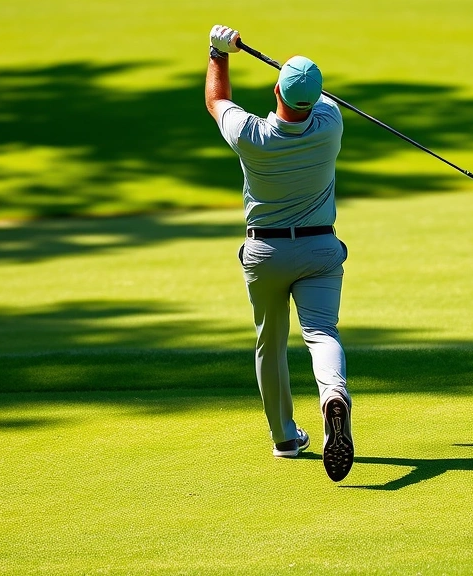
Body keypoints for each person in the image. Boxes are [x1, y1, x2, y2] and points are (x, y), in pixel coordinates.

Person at [205, 25, 354, 482]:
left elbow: (216, 100)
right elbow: (318, 98)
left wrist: (219, 52)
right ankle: (333, 395)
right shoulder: (330, 124)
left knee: (270, 342)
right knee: (321, 333)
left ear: (276, 90)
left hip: (266, 250)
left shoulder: (250, 133)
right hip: (319, 248)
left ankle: (285, 438)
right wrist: (311, 84)